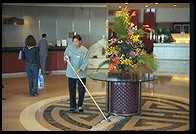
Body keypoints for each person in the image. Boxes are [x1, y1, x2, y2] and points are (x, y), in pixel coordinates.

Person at [63, 34, 89, 114]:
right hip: (71, 72)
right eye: (73, 42)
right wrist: (65, 58)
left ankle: (80, 105)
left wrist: (80, 69)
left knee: (81, 90)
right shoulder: (69, 48)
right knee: (72, 90)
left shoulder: (85, 50)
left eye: (76, 41)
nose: (75, 43)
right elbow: (65, 57)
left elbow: (85, 62)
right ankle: (72, 106)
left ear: (80, 41)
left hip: (81, 73)